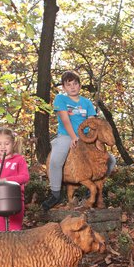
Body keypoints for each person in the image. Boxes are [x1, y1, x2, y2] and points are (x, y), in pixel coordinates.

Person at [42, 70, 97, 211]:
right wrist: (74, 137)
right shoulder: (61, 99)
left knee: (109, 160)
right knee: (55, 161)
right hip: (66, 135)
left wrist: (90, 139)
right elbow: (65, 120)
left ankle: (92, 191)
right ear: (64, 87)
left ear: (79, 85)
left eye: (75, 84)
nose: (72, 87)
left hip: (85, 136)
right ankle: (55, 193)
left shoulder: (87, 103)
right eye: (69, 85)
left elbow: (91, 122)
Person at [0, 127, 30, 231]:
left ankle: (14, 247)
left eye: (6, 144)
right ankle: (0, 247)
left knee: (15, 230)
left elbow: (25, 177)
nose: (3, 147)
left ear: (13, 143)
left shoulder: (19, 160)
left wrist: (7, 180)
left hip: (15, 199)